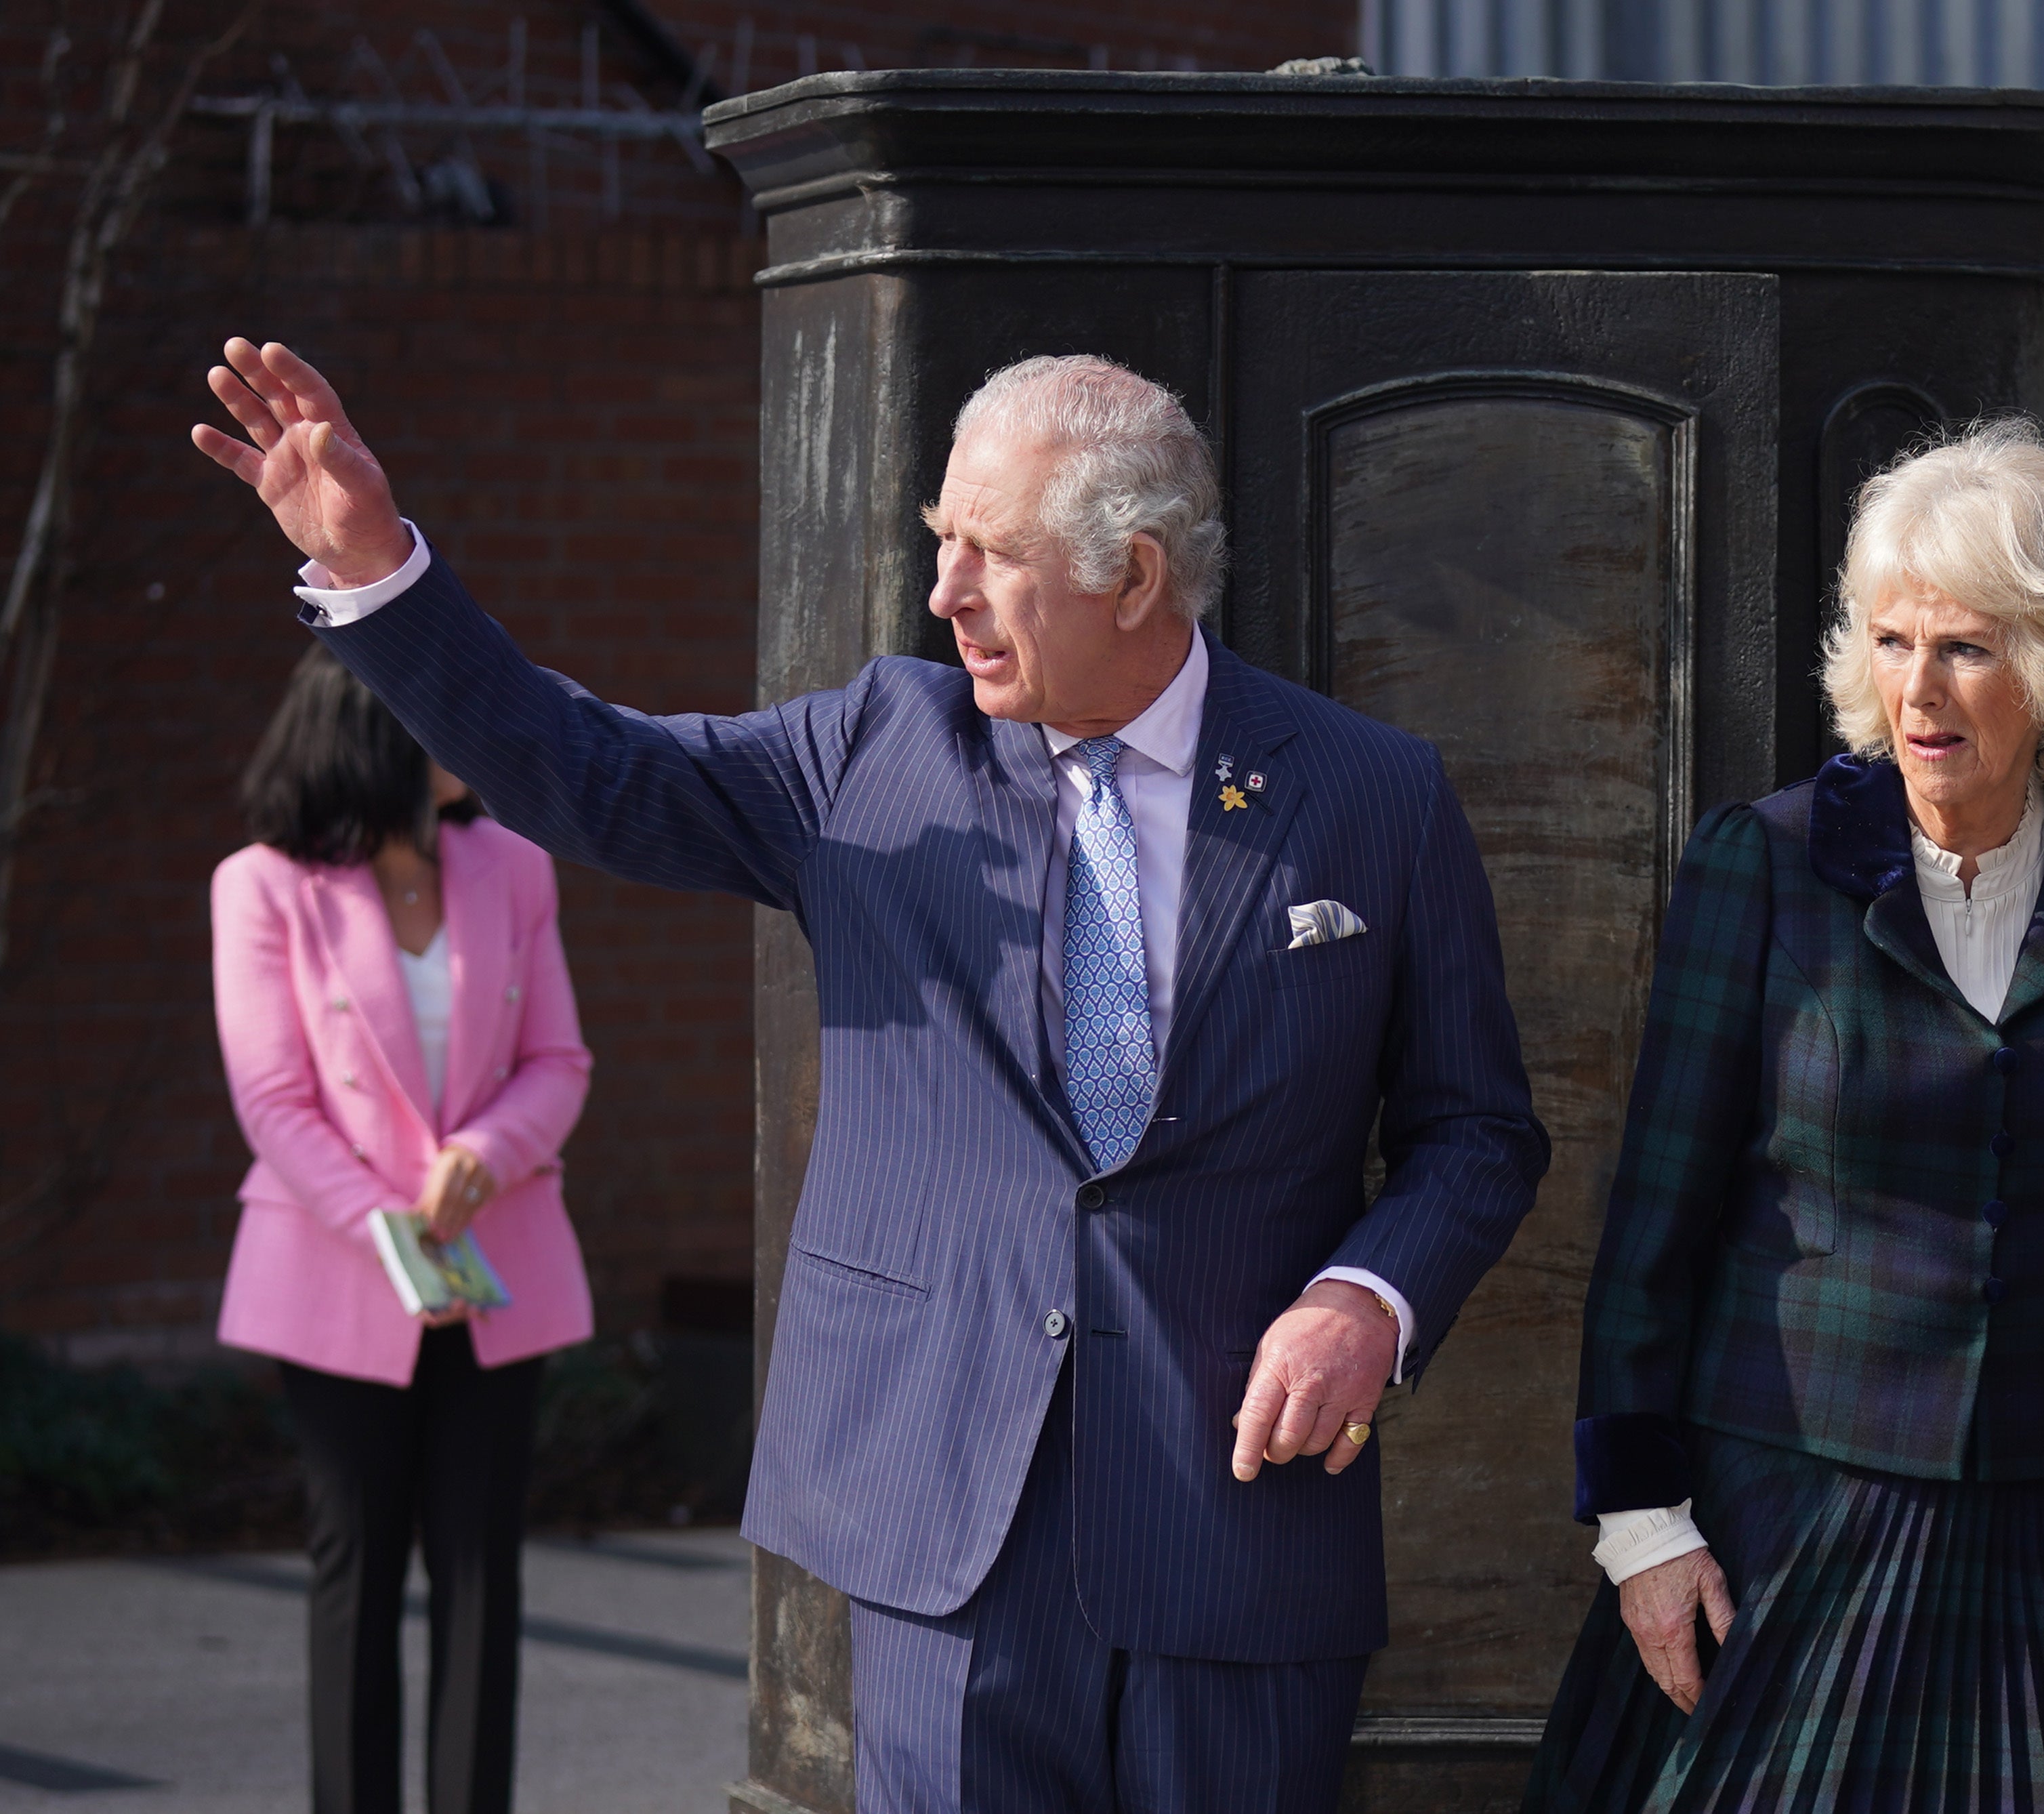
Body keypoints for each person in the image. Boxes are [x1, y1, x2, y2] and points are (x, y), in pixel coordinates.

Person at [191, 340, 1548, 1813]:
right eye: (938, 543)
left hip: (1232, 1522)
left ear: (1136, 577)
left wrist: (1369, 1299)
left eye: (991, 554)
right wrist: (378, 571)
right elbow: (585, 769)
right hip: (943, 1518)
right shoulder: (872, 752)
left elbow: (1474, 1130)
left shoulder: (1369, 792)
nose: (942, 593)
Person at [1528, 421, 2044, 1813]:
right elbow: (1651, 1227)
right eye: (1889, 640)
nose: (1914, 688)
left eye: (1964, 647)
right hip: (1790, 1516)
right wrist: (1639, 1523)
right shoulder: (1770, 865)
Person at [211, 644, 594, 1814]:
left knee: (483, 1574)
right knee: (358, 1569)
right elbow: (272, 1097)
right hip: (336, 1275)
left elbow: (558, 1060)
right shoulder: (262, 886)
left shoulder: (514, 866)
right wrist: (391, 1222)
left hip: (497, 1269)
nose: (468, 743)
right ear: (373, 737)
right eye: (442, 719)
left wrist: (484, 1153)